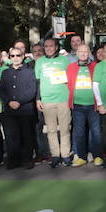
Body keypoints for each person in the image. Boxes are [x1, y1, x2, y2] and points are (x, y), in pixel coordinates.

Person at [0, 42, 39, 169]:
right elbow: (2, 90)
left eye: (18, 55)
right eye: (12, 56)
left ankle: (27, 160)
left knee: (27, 136)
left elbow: (32, 90)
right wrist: (9, 101)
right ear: (9, 57)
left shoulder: (29, 72)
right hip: (10, 111)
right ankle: (13, 160)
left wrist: (19, 102)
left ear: (23, 56)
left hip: (26, 110)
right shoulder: (5, 73)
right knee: (12, 136)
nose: (15, 58)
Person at [35, 38, 71, 167]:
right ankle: (55, 155)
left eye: (51, 46)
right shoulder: (40, 62)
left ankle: (66, 155)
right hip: (47, 100)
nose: (49, 48)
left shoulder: (64, 60)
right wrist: (38, 99)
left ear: (56, 47)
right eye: (46, 46)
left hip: (63, 99)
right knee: (51, 130)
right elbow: (37, 83)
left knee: (65, 129)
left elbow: (70, 79)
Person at [66, 44, 101, 166]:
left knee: (96, 132)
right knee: (79, 132)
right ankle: (81, 156)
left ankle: (97, 155)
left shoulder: (95, 66)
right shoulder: (71, 67)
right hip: (77, 106)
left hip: (93, 105)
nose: (82, 53)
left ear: (89, 53)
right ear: (76, 53)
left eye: (85, 51)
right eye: (80, 51)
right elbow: (67, 85)